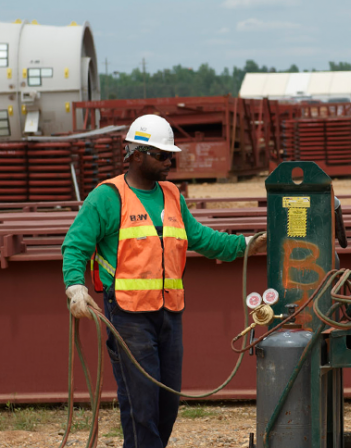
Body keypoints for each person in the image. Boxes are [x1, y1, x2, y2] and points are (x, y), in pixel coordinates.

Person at [62, 114, 266, 448]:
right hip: (127, 317)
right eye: (161, 154)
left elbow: (200, 238)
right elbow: (76, 245)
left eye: (171, 154)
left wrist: (245, 245)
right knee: (141, 405)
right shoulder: (107, 197)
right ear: (137, 154)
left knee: (166, 404)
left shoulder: (172, 195)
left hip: (169, 314)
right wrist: (76, 287)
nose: (169, 161)